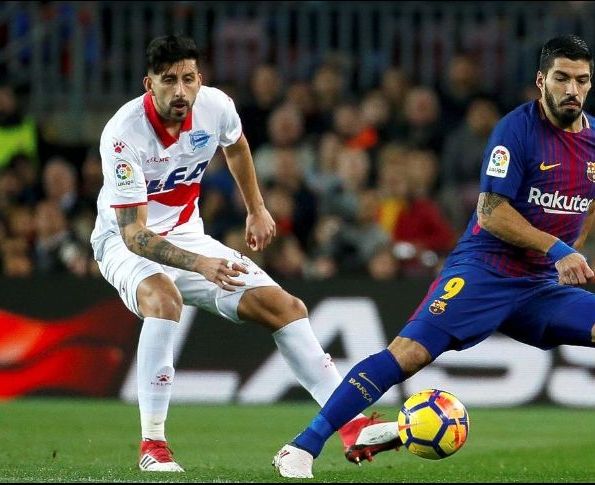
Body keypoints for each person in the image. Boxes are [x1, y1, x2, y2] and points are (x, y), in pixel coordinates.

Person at [273, 35, 595, 479]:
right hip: (484, 271)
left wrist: (568, 254)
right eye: (562, 78)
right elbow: (490, 211)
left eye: (582, 80)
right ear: (541, 80)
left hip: (538, 286)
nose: (572, 89)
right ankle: (302, 446)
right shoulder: (515, 131)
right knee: (409, 354)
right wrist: (557, 248)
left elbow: (590, 201)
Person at [89, 35, 399, 473]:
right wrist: (202, 264)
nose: (181, 91)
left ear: (201, 80)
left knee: (285, 307)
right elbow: (135, 234)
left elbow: (236, 145)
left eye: (189, 79)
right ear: (149, 84)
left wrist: (257, 209)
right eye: (169, 80)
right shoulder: (123, 135)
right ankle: (153, 445)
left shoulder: (215, 107)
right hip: (123, 244)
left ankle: (351, 426)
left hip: (187, 234)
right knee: (165, 300)